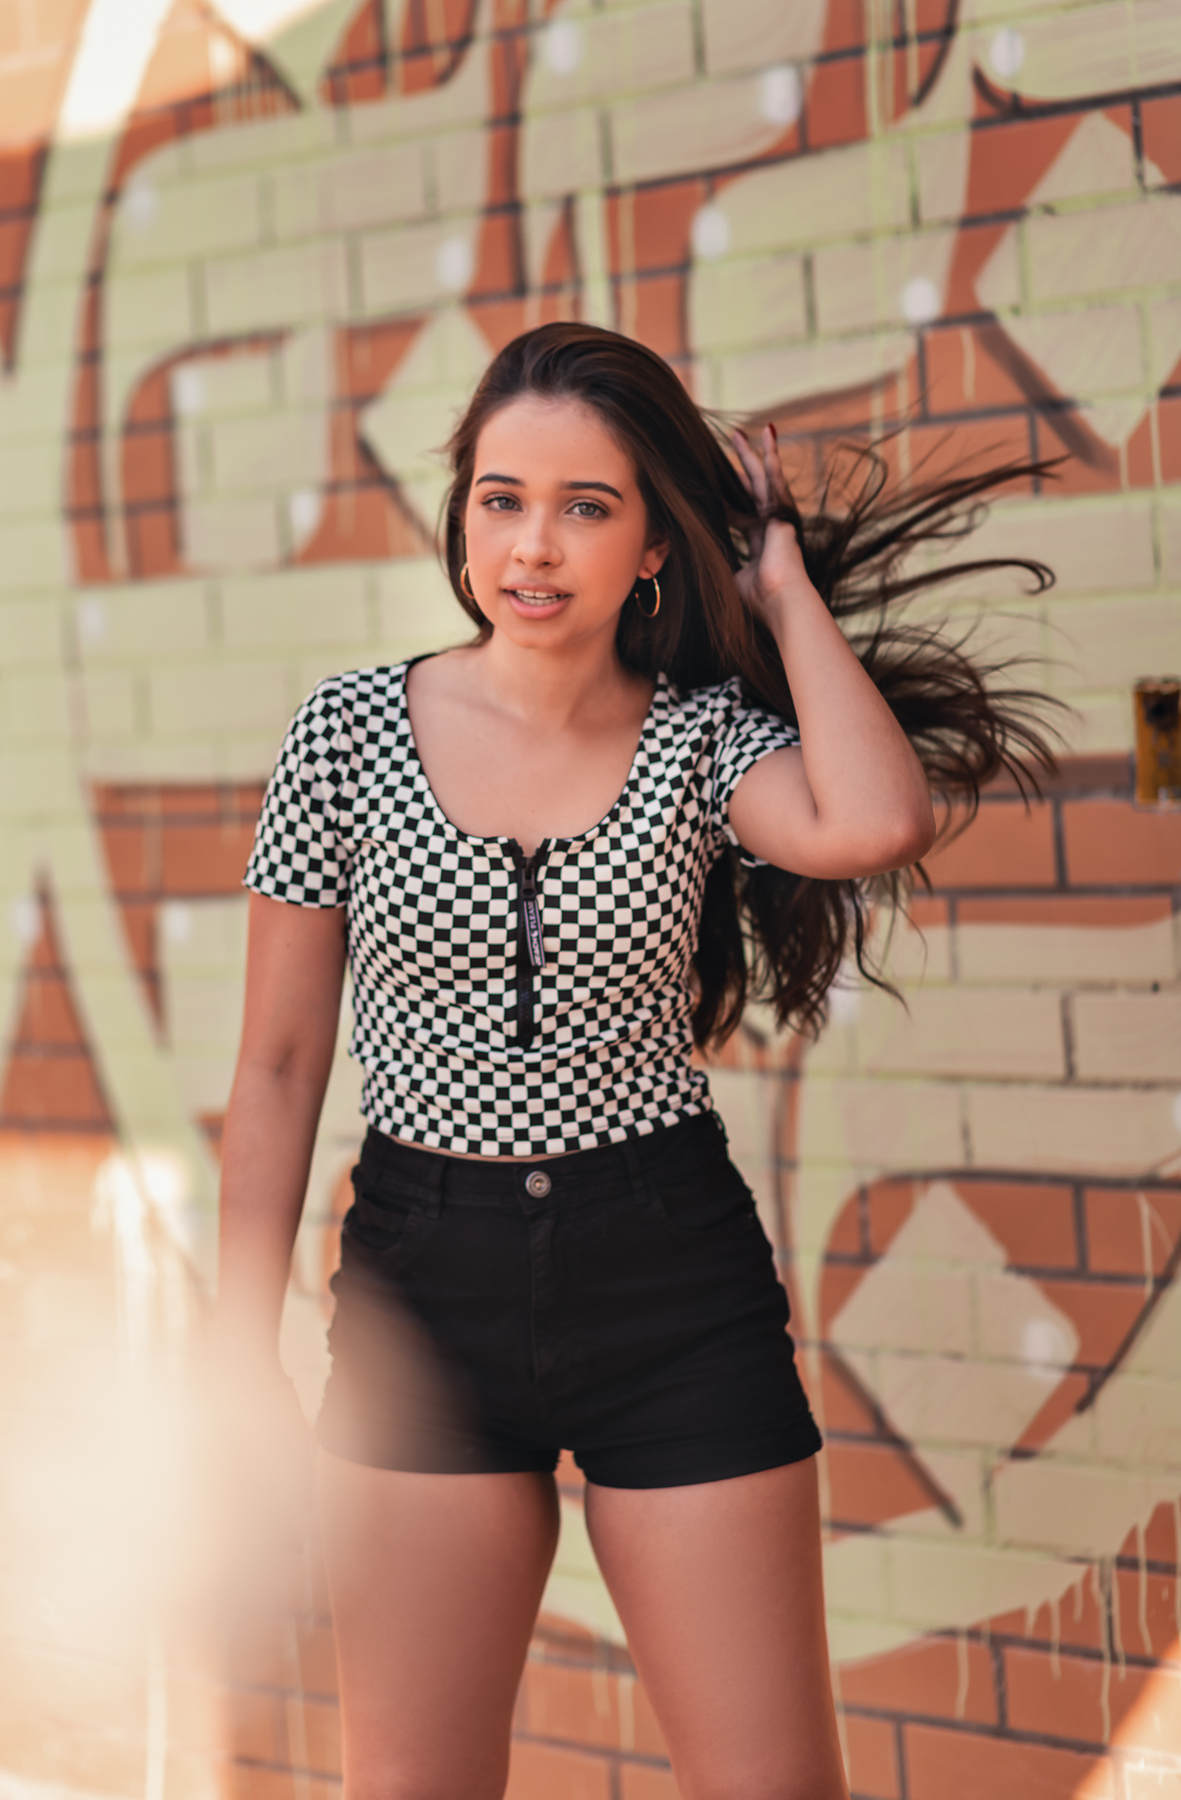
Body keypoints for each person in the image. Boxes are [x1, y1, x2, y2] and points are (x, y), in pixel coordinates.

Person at [215, 322, 1055, 1799]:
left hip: (670, 1284)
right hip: (425, 1295)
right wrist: (233, 1344)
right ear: (462, 515)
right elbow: (280, 1066)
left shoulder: (701, 744)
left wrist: (781, 585)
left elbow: (876, 821)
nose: (532, 547)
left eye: (585, 507)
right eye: (500, 499)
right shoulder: (344, 735)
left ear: (655, 544)